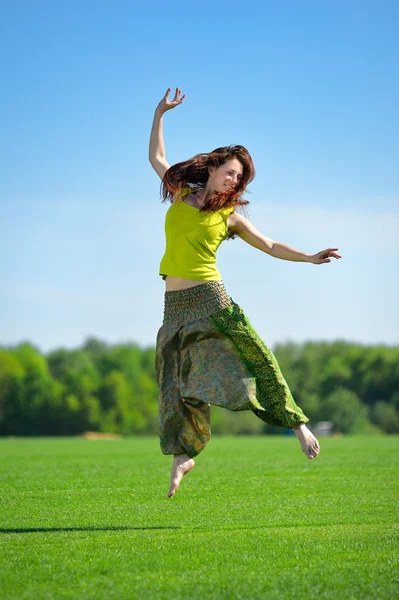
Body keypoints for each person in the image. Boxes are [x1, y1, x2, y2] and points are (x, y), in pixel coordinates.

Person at [149, 88, 341, 498]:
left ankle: (298, 425)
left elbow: (270, 245)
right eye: (231, 171)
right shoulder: (183, 194)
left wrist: (309, 257)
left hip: (212, 301)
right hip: (174, 308)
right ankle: (184, 454)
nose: (235, 179)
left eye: (240, 177)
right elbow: (156, 159)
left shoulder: (230, 217)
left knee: (256, 359)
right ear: (215, 167)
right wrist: (159, 114)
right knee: (176, 382)